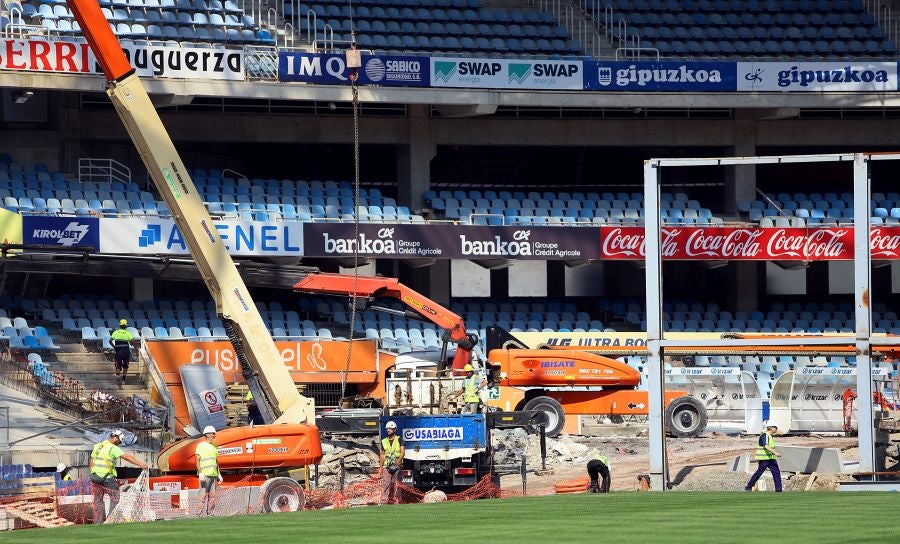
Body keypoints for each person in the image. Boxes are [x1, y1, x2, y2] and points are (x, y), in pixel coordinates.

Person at [90, 429, 149, 524]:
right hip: (107, 477)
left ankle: (99, 522)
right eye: (120, 441)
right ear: (116, 437)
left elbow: (91, 460)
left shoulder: (98, 446)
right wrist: (141, 464)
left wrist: (93, 473)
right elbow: (127, 457)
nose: (119, 444)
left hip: (94, 477)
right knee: (115, 497)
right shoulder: (112, 448)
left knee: (98, 500)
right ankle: (110, 520)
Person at [745, 424, 783, 492]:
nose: (776, 429)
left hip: (770, 458)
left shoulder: (770, 435)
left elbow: (781, 433)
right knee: (759, 472)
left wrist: (778, 432)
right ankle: (749, 486)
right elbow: (766, 446)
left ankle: (778, 489)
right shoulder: (765, 435)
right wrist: (775, 453)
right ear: (771, 428)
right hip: (764, 458)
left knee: (776, 472)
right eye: (775, 428)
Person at [195, 426, 223, 515]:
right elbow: (197, 460)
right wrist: (200, 473)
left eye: (214, 433)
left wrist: (219, 474)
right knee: (202, 495)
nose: (214, 435)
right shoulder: (200, 446)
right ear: (207, 434)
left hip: (213, 475)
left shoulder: (214, 446)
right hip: (205, 475)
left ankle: (210, 513)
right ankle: (199, 513)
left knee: (213, 496)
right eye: (212, 433)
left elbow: (216, 460)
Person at [379, 420, 405, 504]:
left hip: (397, 466)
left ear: (394, 430)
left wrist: (399, 460)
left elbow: (403, 452)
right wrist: (381, 467)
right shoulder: (384, 441)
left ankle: (397, 501)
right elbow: (382, 455)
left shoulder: (399, 439)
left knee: (397, 485)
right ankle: (384, 501)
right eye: (387, 429)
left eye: (390, 428)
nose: (388, 430)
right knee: (385, 484)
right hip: (387, 466)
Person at [110, 319, 134, 385]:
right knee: (125, 366)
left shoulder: (116, 332)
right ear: (126, 326)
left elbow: (110, 341)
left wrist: (114, 346)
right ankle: (123, 380)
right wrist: (136, 348)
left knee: (118, 365)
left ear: (120, 325)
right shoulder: (128, 333)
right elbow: (132, 342)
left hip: (119, 351)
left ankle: (117, 373)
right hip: (126, 351)